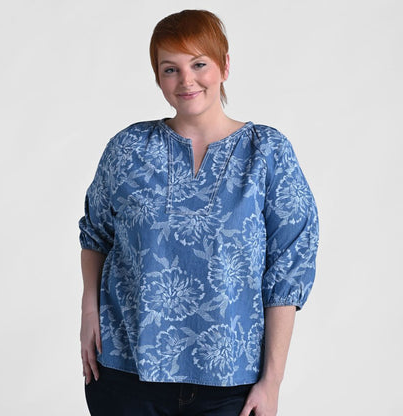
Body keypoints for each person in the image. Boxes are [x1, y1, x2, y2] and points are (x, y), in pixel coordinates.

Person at [79, 9, 319, 416]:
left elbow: (288, 268)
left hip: (231, 383)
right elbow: (96, 234)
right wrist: (89, 311)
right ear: (158, 77)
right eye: (170, 69)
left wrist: (272, 380)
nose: (186, 80)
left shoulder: (267, 153)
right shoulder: (128, 148)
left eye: (199, 64)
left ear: (224, 65)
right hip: (126, 373)